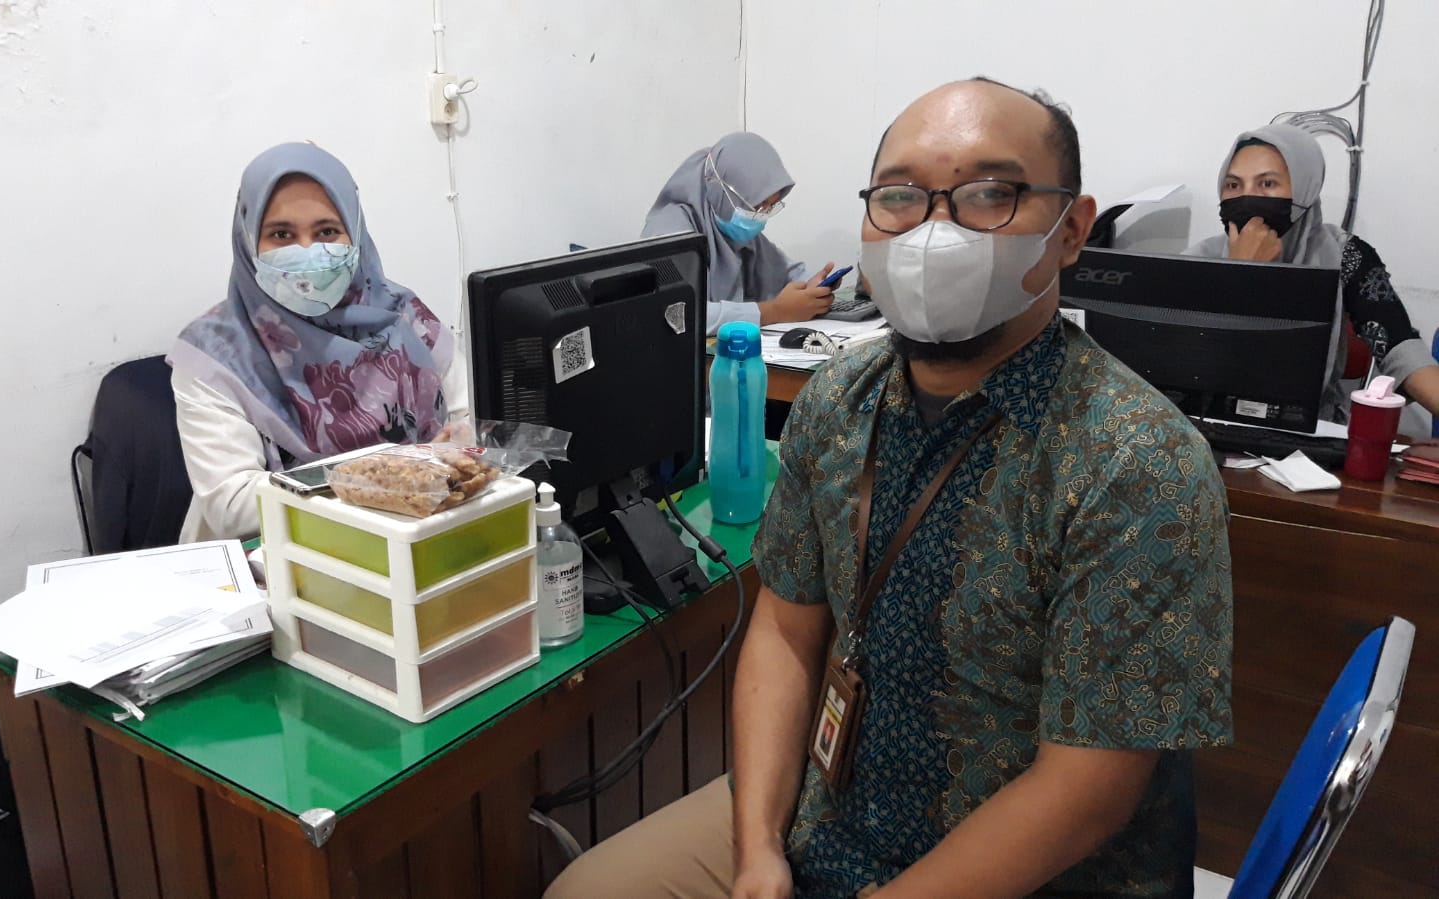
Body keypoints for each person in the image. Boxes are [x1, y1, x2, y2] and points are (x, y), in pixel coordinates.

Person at [546, 78, 1233, 899]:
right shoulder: (836, 401)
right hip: (835, 812)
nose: (934, 231)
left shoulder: (1135, 460)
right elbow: (785, 630)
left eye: (989, 193)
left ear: (1070, 230)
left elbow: (1088, 789)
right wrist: (757, 848)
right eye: (900, 196)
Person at [168, 143, 467, 542]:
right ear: (248, 240)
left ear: (355, 232)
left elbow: (471, 429)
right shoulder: (216, 353)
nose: (308, 253)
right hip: (272, 558)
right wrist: (391, 474)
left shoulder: (406, 319)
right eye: (281, 235)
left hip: (412, 542)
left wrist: (453, 454)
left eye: (327, 232)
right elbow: (233, 507)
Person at [1186, 123, 1439, 422]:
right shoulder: (1199, 259)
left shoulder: (1343, 254)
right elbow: (1185, 360)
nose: (1248, 197)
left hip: (1311, 429)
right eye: (1233, 185)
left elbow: (1397, 345)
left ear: (1305, 188)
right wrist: (1242, 273)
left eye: (1267, 183)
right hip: (1208, 425)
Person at [643, 132, 837, 335]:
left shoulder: (733, 229)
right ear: (723, 192)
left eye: (770, 206)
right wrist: (772, 312)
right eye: (759, 205)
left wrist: (812, 287)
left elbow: (782, 270)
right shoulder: (667, 233)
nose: (762, 216)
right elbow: (677, 314)